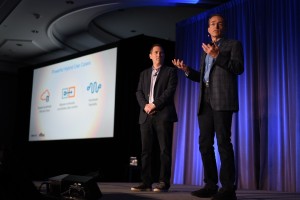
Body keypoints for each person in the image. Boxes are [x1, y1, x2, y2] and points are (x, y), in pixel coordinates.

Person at [172, 14, 244, 200]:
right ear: (208, 29)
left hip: (222, 101)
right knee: (205, 144)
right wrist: (187, 71)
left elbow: (238, 68)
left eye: (220, 23)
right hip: (204, 101)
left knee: (223, 143)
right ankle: (210, 184)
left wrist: (218, 55)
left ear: (224, 27)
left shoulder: (233, 44)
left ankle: (228, 189)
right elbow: (204, 77)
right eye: (213, 24)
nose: (216, 26)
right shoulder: (205, 50)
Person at [131, 44, 178, 192]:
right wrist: (145, 105)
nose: (159, 55)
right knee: (146, 151)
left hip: (163, 115)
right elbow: (138, 92)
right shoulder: (144, 73)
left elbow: (169, 91)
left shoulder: (170, 71)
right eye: (156, 52)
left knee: (164, 150)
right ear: (150, 55)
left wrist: (154, 105)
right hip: (145, 116)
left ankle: (164, 182)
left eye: (162, 53)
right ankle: (146, 182)